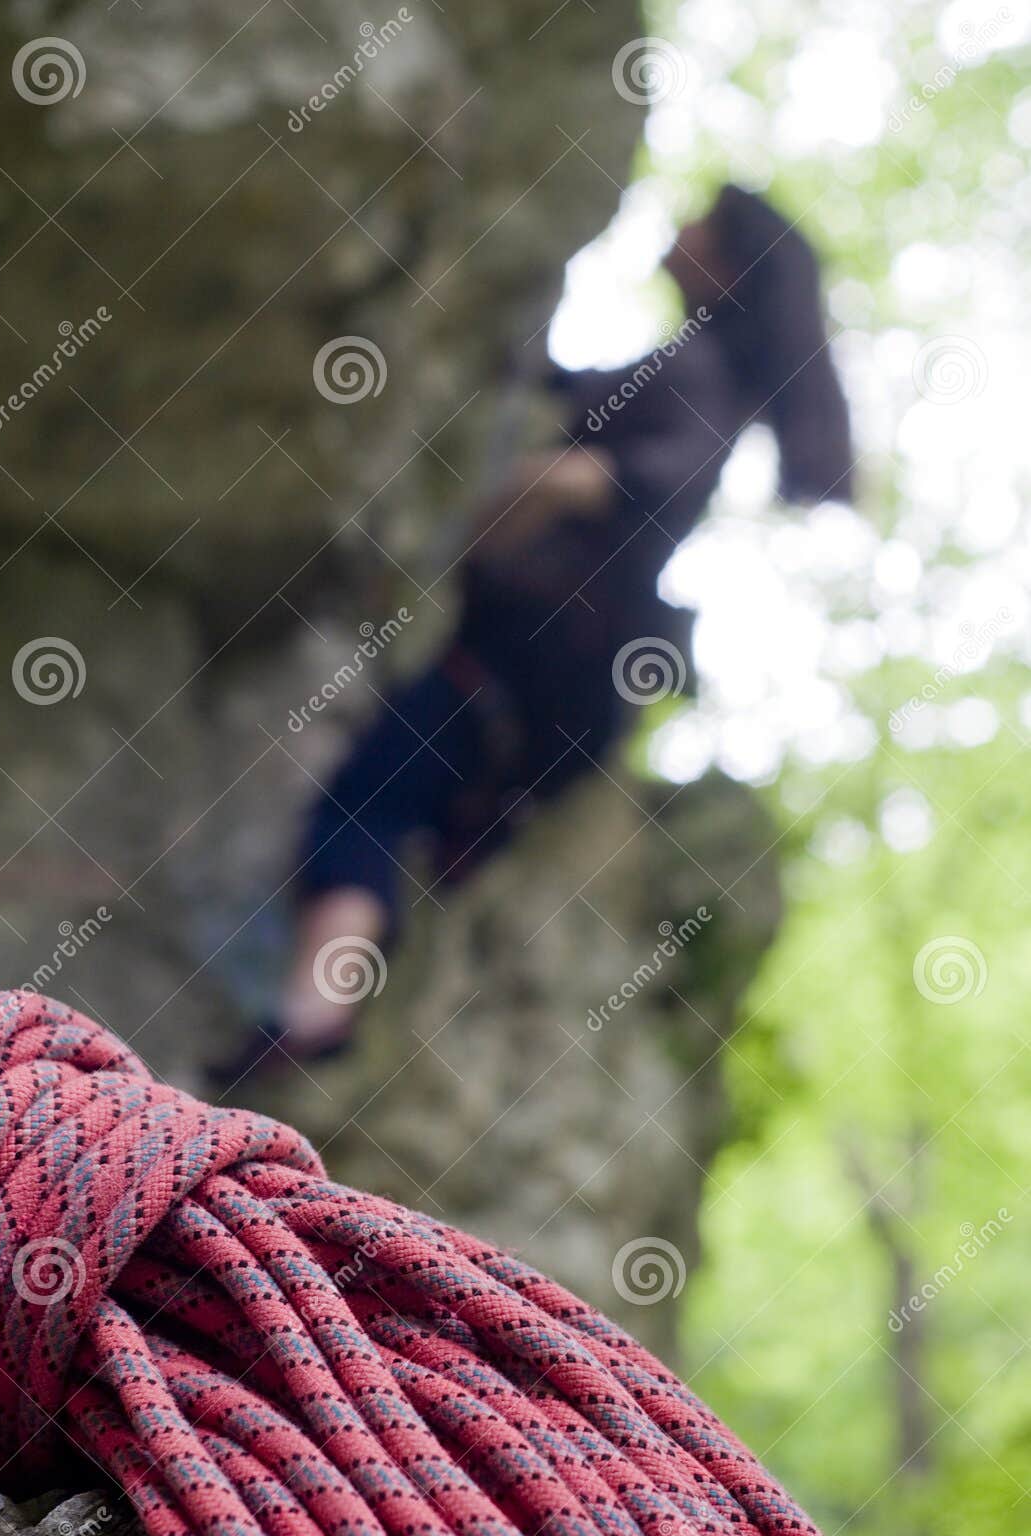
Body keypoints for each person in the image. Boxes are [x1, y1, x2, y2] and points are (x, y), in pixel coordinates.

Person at [214, 185, 854, 1082]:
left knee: (367, 798)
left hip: (531, 666)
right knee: (402, 811)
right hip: (558, 692)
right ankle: (322, 1005)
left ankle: (313, 1015)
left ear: (725, 265)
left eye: (699, 223)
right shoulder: (700, 375)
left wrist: (463, 539)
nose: (677, 227)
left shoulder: (696, 376)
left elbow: (607, 483)